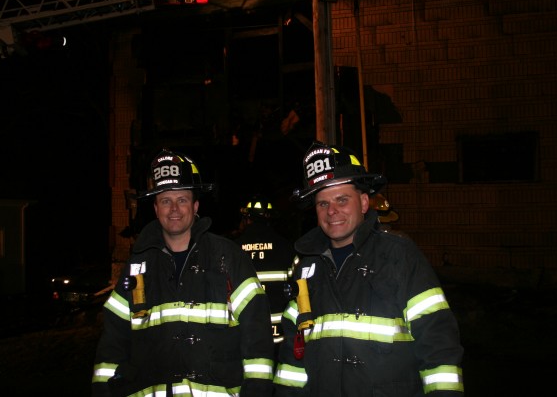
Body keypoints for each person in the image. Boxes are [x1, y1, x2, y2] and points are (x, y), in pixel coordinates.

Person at [273, 142, 464, 396]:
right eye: (322, 204)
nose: (332, 212)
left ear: (364, 203)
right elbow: (293, 357)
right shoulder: (307, 268)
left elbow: (439, 346)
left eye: (342, 200)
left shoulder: (400, 257)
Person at [92, 149, 274, 397]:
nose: (174, 209)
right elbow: (113, 342)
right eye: (166, 201)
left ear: (196, 205)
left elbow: (257, 336)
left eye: (182, 200)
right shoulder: (137, 267)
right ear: (156, 208)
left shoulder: (228, 257)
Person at [233, 196, 297, 348]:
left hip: (245, 334)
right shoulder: (287, 247)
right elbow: (299, 290)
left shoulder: (233, 249)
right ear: (270, 217)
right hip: (281, 336)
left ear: (247, 218)